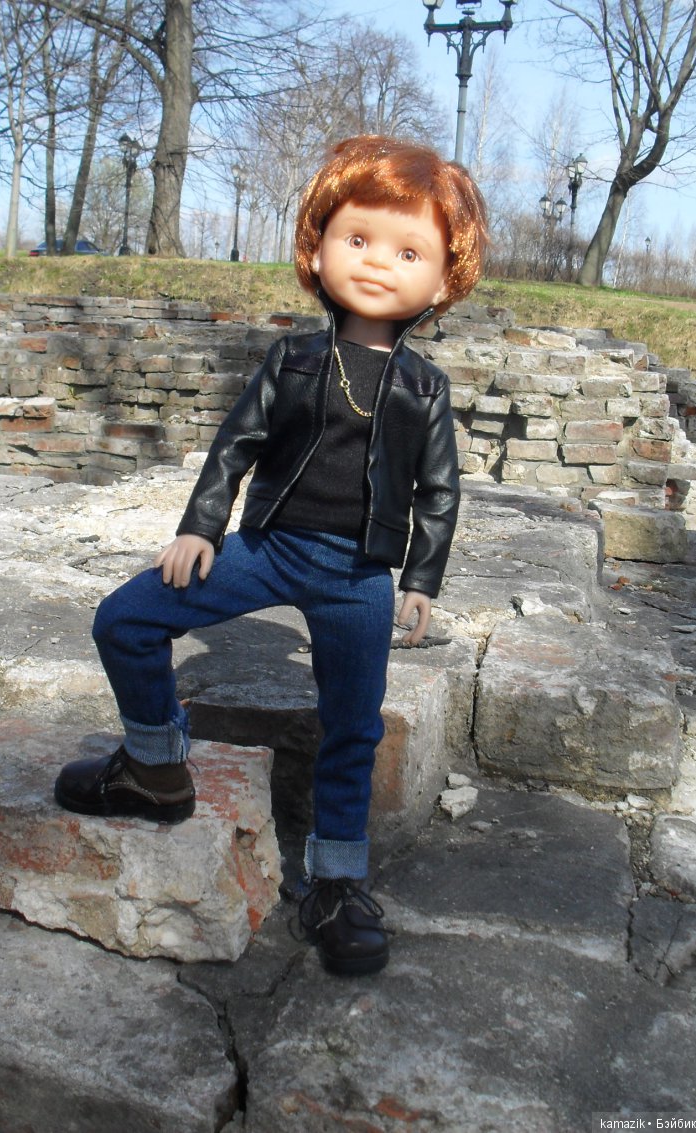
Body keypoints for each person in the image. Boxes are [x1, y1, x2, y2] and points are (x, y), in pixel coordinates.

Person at [54, 135, 488, 976]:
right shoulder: (292, 359)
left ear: (442, 282)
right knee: (127, 617)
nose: (377, 262)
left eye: (408, 252)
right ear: (318, 247)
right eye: (356, 238)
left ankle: (336, 881)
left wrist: (422, 578)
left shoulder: (424, 389)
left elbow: (440, 492)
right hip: (268, 547)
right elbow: (235, 445)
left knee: (353, 725)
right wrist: (200, 527)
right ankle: (153, 766)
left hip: (359, 577)